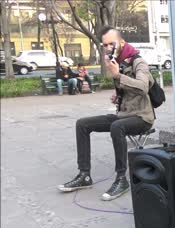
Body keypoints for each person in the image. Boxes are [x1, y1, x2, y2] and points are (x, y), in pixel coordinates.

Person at [57, 26, 155, 201]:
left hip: (142, 117)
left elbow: (143, 86)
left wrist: (118, 76)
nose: (108, 48)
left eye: (111, 44)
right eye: (105, 45)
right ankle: (84, 175)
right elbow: (128, 89)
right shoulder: (116, 61)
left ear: (122, 43)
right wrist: (118, 95)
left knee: (117, 127)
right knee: (82, 124)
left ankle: (121, 179)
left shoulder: (138, 61)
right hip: (124, 115)